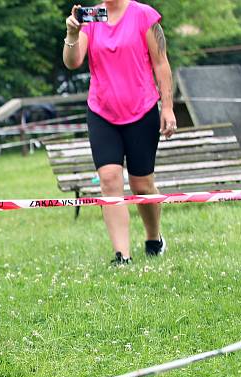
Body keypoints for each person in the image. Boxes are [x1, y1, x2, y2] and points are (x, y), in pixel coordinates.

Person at [63, 1, 176, 266]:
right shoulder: (91, 19)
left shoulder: (143, 15)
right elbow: (73, 61)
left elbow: (161, 63)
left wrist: (168, 107)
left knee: (142, 185)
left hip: (142, 109)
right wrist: (71, 33)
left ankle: (153, 238)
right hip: (102, 112)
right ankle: (122, 255)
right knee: (109, 179)